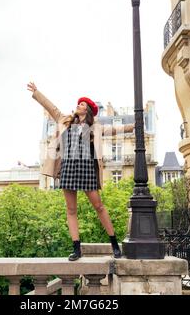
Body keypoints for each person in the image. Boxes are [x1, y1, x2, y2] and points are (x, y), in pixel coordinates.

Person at [27, 82, 135, 261]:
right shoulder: (65, 120)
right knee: (71, 210)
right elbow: (51, 107)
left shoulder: (95, 127)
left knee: (99, 206)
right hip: (68, 169)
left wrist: (134, 126)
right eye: (78, 103)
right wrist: (37, 92)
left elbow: (116, 129)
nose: (78, 105)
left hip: (87, 169)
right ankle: (76, 248)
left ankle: (114, 244)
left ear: (88, 111)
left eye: (82, 104)